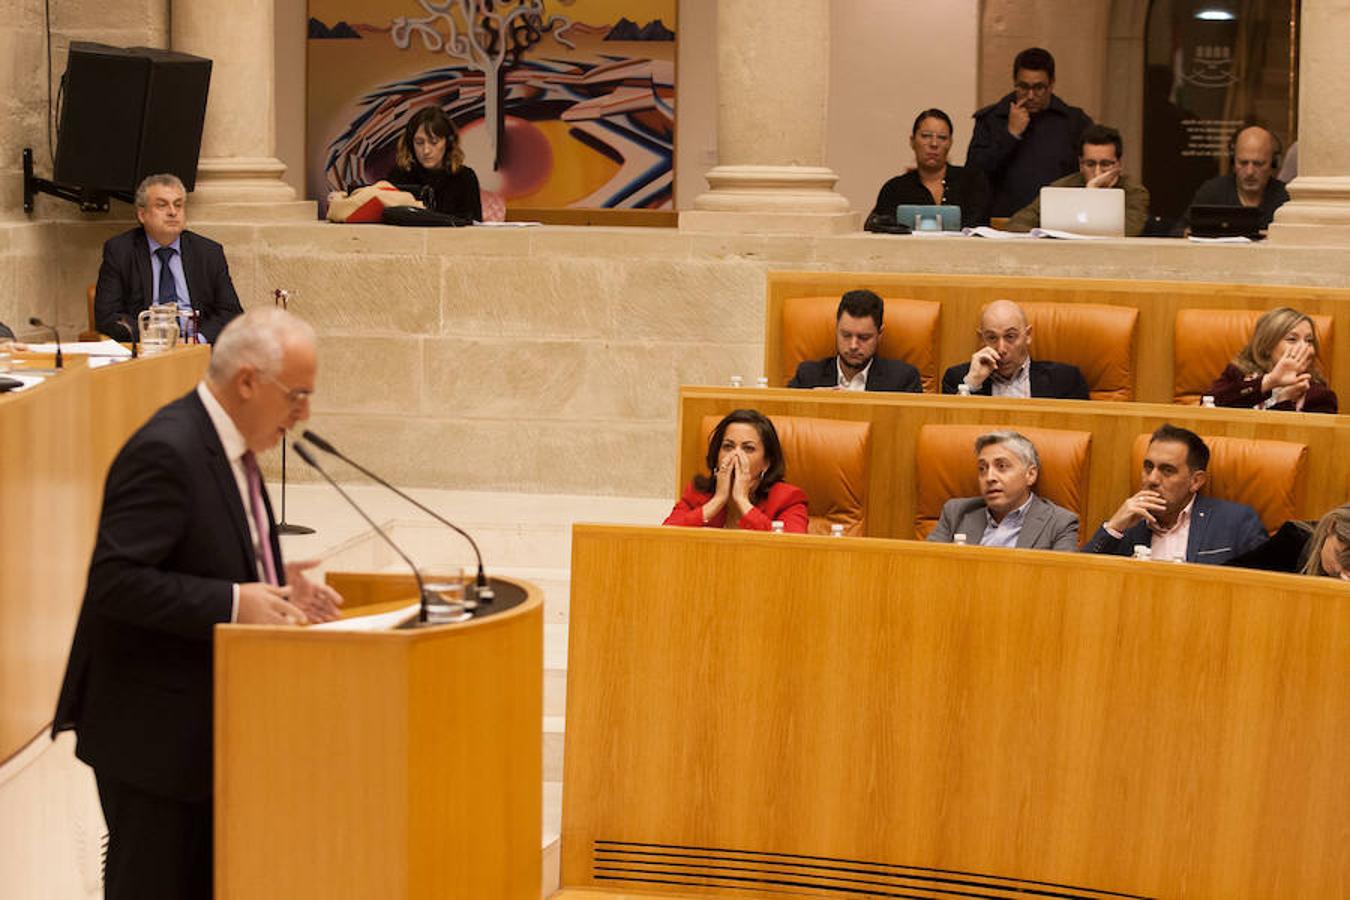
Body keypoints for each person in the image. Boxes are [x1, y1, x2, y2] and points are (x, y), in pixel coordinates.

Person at [52, 307, 344, 900]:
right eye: (298, 395)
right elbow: (115, 580)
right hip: (153, 735)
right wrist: (237, 599)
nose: (304, 413)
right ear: (247, 382)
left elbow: (198, 549)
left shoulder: (230, 441)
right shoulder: (168, 450)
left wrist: (272, 576)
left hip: (206, 725)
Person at [1082, 424, 1266, 564]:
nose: (1152, 479)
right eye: (1148, 467)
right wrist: (1113, 527)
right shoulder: (1127, 526)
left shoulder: (1236, 522)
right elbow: (1079, 579)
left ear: (1196, 481)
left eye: (1167, 470)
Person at [94, 174, 244, 345]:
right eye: (162, 205)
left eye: (178, 205)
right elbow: (107, 316)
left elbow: (231, 312)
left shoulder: (208, 252)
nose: (173, 212)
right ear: (142, 215)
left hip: (199, 350)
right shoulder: (121, 251)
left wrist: (196, 340)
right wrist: (155, 339)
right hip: (146, 351)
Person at [968, 47, 1093, 218]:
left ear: (1052, 83)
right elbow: (973, 175)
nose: (1031, 95)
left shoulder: (1075, 122)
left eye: (1039, 88)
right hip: (1004, 222)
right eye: (1023, 87)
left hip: (1060, 220)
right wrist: (1010, 135)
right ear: (1015, 82)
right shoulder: (992, 119)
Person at [927, 430, 1079, 550]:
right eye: (982, 469)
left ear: (1030, 475)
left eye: (1002, 466)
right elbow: (926, 566)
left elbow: (1060, 583)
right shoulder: (955, 513)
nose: (989, 477)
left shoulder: (1059, 523)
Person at [664, 409, 808, 532]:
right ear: (717, 454)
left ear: (766, 462)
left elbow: (792, 551)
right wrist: (717, 501)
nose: (736, 455)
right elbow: (664, 539)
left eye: (748, 448)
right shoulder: (697, 493)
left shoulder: (787, 500)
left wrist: (742, 501)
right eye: (728, 447)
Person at [1005, 124, 1151, 235]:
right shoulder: (1061, 188)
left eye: (1105, 164)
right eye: (1090, 164)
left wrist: (1092, 193)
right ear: (1080, 164)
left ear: (1118, 164)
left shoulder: (1134, 193)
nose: (1098, 172)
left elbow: (1127, 231)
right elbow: (1018, 223)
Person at [866, 108, 991, 230]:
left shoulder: (973, 182)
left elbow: (980, 231)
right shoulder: (894, 189)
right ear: (912, 141)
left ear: (950, 143)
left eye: (942, 137)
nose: (934, 144)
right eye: (926, 136)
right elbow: (876, 229)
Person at [941, 299, 1090, 399]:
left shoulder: (1065, 379)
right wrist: (971, 385)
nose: (1001, 349)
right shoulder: (957, 379)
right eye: (992, 338)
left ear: (1028, 335)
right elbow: (953, 432)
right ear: (982, 339)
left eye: (1010, 336)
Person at [1206, 307, 1338, 413]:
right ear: (1267, 346)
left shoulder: (1319, 396)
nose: (1304, 348)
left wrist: (1284, 400)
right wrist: (1268, 382)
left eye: (1309, 341)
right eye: (1292, 339)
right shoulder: (1238, 372)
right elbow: (1208, 403)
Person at [787, 289, 922, 392]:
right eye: (846, 335)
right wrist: (811, 402)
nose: (853, 346)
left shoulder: (903, 380)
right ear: (836, 329)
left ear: (879, 334)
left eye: (864, 338)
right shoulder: (808, 376)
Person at [1174, 125, 1289, 233]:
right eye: (1243, 163)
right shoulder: (1213, 192)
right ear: (1233, 162)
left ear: (1273, 164)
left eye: (1258, 164)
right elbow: (1178, 232)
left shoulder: (1286, 199)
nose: (1249, 172)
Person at [387, 106, 482, 221]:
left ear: (448, 142)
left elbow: (475, 227)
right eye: (419, 142)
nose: (426, 150)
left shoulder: (465, 177)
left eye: (434, 142)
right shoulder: (398, 176)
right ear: (410, 144)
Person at [1301, 503, 1350, 578]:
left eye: (1347, 565)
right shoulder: (1291, 538)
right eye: (1337, 553)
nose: (1338, 569)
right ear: (1331, 525)